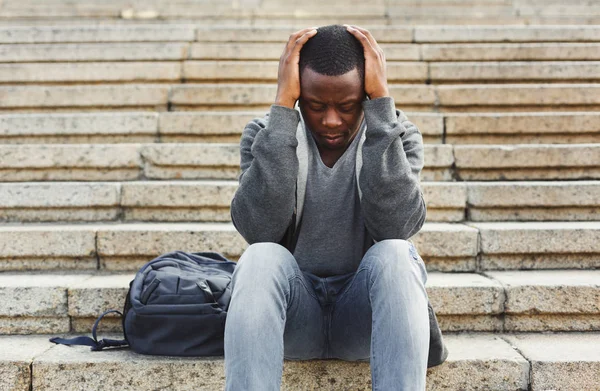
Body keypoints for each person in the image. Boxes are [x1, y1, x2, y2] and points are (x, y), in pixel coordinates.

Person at [224, 24, 447, 391]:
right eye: (314, 105)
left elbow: (397, 225)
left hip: (363, 319)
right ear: (298, 94)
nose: (330, 120)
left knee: (395, 254)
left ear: (365, 94)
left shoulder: (396, 134)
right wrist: (282, 109)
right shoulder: (266, 135)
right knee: (260, 256)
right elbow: (258, 229)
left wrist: (381, 111)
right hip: (293, 320)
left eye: (346, 106)